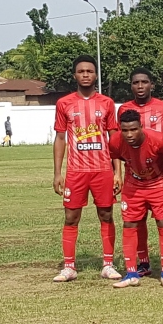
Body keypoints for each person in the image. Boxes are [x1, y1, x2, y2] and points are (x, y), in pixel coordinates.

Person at [52, 55, 122, 283]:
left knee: (106, 215)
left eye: (89, 71)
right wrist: (57, 172)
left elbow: (115, 139)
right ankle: (69, 266)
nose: (85, 75)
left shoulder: (107, 103)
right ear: (75, 75)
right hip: (76, 171)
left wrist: (117, 172)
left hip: (102, 170)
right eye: (81, 71)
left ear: (95, 75)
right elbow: (60, 138)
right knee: (71, 217)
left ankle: (108, 264)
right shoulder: (64, 103)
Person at [118, 67, 163, 278]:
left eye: (144, 82)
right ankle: (143, 261)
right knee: (137, 220)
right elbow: (117, 146)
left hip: (158, 175)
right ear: (131, 86)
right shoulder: (124, 109)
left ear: (151, 84)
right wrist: (118, 173)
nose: (140, 86)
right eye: (136, 83)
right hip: (133, 176)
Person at [108, 110, 163, 288]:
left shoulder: (159, 141)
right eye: (125, 130)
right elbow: (115, 155)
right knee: (130, 224)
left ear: (141, 127)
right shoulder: (115, 141)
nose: (129, 134)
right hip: (133, 184)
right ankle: (131, 272)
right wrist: (118, 174)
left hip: (158, 183)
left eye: (133, 129)